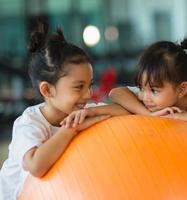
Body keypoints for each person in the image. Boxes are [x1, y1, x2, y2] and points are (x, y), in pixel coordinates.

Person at [0, 23, 128, 200]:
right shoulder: (29, 123)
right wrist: (71, 129)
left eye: (90, 85)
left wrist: (95, 113)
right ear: (47, 90)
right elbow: (36, 166)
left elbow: (126, 113)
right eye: (79, 87)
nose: (89, 94)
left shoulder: (82, 111)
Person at [109, 38, 187, 159]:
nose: (144, 97)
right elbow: (115, 93)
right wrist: (147, 114)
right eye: (141, 88)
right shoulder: (152, 94)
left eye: (154, 90)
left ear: (182, 89)